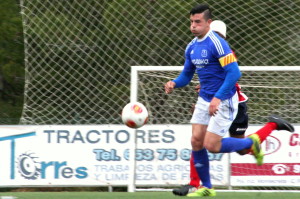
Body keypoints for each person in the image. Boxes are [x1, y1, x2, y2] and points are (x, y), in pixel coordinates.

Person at [165, 5, 294, 197]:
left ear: (208, 23)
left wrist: (217, 98)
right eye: (191, 22)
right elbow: (187, 74)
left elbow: (234, 73)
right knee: (196, 140)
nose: (193, 25)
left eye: (197, 22)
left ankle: (253, 141)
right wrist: (174, 83)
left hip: (224, 100)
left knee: (212, 145)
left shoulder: (218, 44)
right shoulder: (191, 46)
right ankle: (206, 187)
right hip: (205, 99)